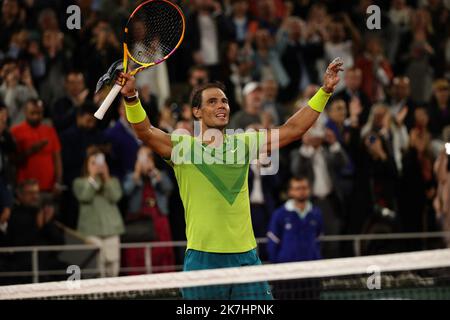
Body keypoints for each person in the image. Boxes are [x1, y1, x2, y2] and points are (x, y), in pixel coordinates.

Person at [117, 57, 343, 299]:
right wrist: (131, 97)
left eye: (224, 100)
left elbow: (293, 130)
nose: (221, 105)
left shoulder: (244, 142)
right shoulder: (182, 147)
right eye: (212, 101)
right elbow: (145, 131)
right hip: (203, 260)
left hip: (246, 258)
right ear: (197, 112)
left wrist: (325, 91)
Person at [73, 147, 124, 278]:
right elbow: (85, 196)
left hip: (112, 230)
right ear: (87, 165)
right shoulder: (79, 183)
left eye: (100, 162)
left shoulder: (112, 181)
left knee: (113, 269)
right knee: (96, 268)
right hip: (91, 231)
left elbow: (116, 196)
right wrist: (92, 177)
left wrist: (106, 177)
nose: (97, 166)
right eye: (93, 163)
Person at [122, 146, 175, 274]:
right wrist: (137, 174)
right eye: (142, 158)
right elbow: (126, 191)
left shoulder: (159, 174)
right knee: (137, 255)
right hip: (139, 222)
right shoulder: (131, 176)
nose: (145, 162)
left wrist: (154, 173)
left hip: (159, 220)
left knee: (162, 252)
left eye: (147, 158)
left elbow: (168, 188)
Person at [11, 98, 63, 199]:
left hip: (48, 188)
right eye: (33, 113)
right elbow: (14, 161)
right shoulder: (15, 132)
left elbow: (57, 159)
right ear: (25, 112)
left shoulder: (49, 130)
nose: (36, 116)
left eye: (39, 113)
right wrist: (31, 150)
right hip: (26, 189)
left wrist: (58, 182)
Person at [267, 176, 322, 263]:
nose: (301, 191)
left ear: (309, 190)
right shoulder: (279, 214)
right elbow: (273, 241)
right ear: (290, 191)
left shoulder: (316, 213)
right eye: (297, 188)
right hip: (287, 266)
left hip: (311, 266)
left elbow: (318, 239)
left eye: (304, 188)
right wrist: (276, 264)